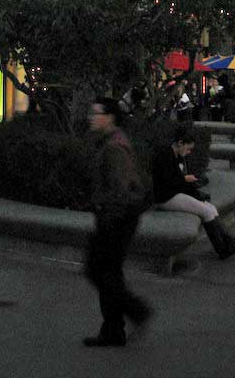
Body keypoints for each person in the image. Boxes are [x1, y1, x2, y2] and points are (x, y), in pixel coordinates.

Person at [82, 97, 151, 348]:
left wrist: (106, 213)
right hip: (117, 216)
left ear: (109, 117)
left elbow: (120, 189)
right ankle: (113, 329)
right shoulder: (110, 141)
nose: (91, 117)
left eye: (96, 113)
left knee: (97, 270)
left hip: (117, 218)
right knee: (108, 272)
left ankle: (135, 311)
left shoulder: (114, 147)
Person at [153, 126, 235, 258]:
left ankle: (229, 243)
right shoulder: (164, 155)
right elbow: (167, 182)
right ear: (180, 143)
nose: (189, 152)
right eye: (188, 149)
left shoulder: (178, 156)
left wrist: (195, 193)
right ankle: (223, 249)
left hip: (175, 194)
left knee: (211, 208)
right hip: (166, 197)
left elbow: (180, 183)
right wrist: (184, 179)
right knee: (206, 212)